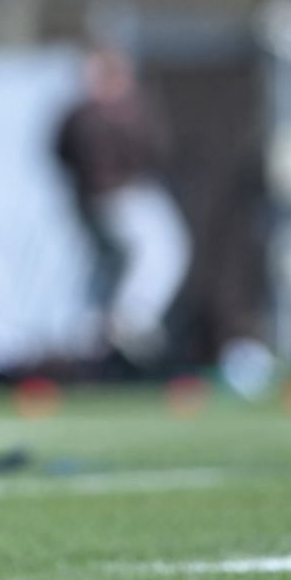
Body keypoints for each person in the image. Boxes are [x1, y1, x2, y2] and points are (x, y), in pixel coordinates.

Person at [52, 47, 191, 369]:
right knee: (161, 253)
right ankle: (131, 318)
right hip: (123, 198)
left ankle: (88, 340)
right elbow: (155, 149)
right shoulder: (104, 114)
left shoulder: (78, 114)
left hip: (92, 204)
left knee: (108, 271)